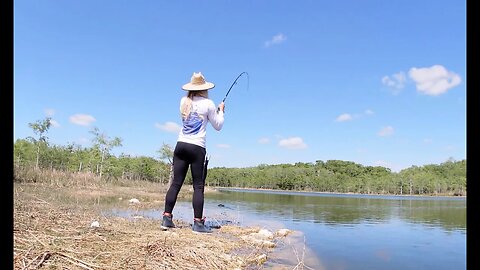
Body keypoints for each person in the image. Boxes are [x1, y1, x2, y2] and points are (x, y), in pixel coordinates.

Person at [161, 72, 225, 233]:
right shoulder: (209, 104)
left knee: (176, 183)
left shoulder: (184, 101)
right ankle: (197, 223)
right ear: (204, 88)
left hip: (181, 145)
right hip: (197, 147)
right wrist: (221, 111)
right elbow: (218, 126)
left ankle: (166, 218)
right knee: (198, 186)